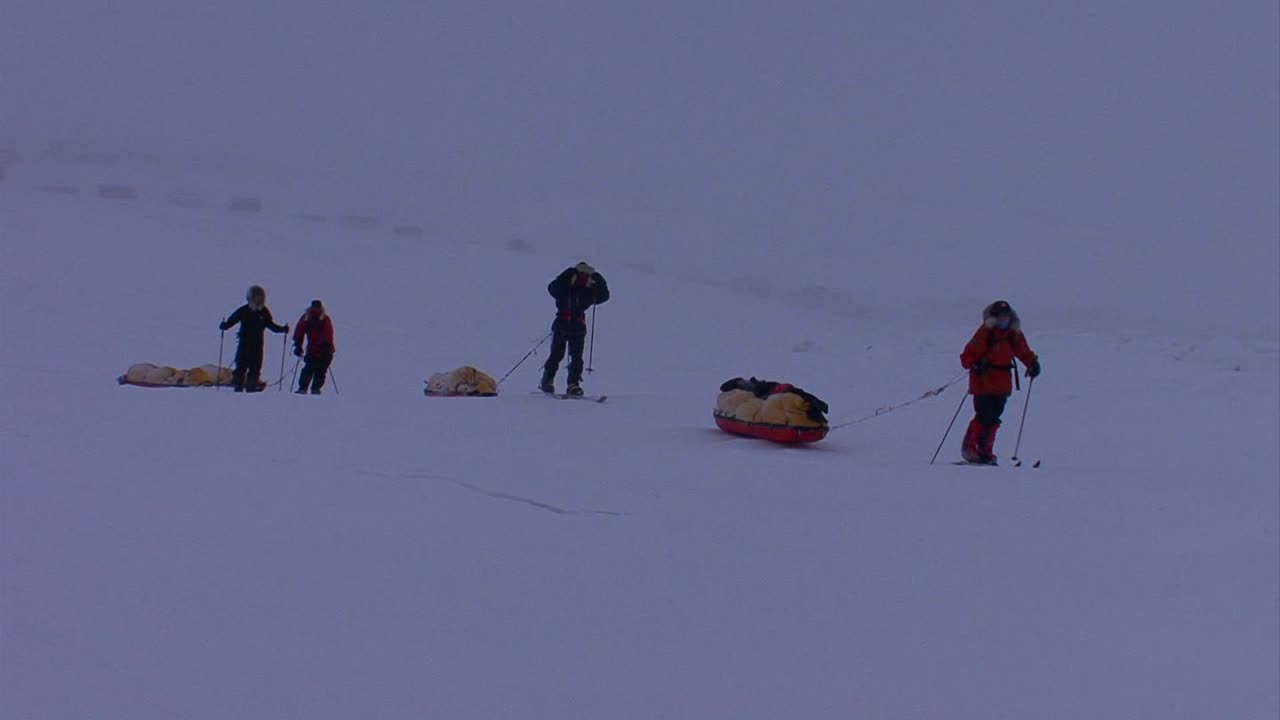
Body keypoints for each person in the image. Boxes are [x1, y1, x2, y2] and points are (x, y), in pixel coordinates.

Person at [959, 300, 1041, 464]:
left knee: (995, 415)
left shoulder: (1013, 333)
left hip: (1002, 383)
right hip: (983, 381)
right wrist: (974, 364)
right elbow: (967, 355)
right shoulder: (985, 332)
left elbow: (1022, 350)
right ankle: (970, 448)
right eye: (1001, 317)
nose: (1004, 321)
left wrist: (1032, 363)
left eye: (1006, 317)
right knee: (983, 414)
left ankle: (985, 450)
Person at [540, 261, 610, 396]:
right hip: (564, 323)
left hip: (575, 325)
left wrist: (598, 279)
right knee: (557, 355)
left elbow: (604, 296)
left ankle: (572, 384)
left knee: (576, 357)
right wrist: (568, 275)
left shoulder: (588, 290)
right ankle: (549, 381)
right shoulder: (566, 287)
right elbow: (552, 288)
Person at [220, 285, 289, 392]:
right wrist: (225, 325)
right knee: (240, 368)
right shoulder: (244, 310)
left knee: (255, 370)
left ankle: (250, 389)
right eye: (256, 297)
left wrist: (282, 329)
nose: (258, 300)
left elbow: (271, 325)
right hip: (244, 345)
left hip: (257, 347)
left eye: (260, 298)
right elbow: (232, 320)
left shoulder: (264, 312)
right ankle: (238, 388)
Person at [292, 300, 335, 395]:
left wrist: (326, 346)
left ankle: (312, 388)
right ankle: (308, 388)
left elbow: (328, 334)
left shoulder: (323, 319)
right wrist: (298, 345)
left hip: (325, 350)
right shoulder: (309, 318)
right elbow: (300, 331)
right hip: (315, 350)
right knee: (311, 369)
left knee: (318, 370)